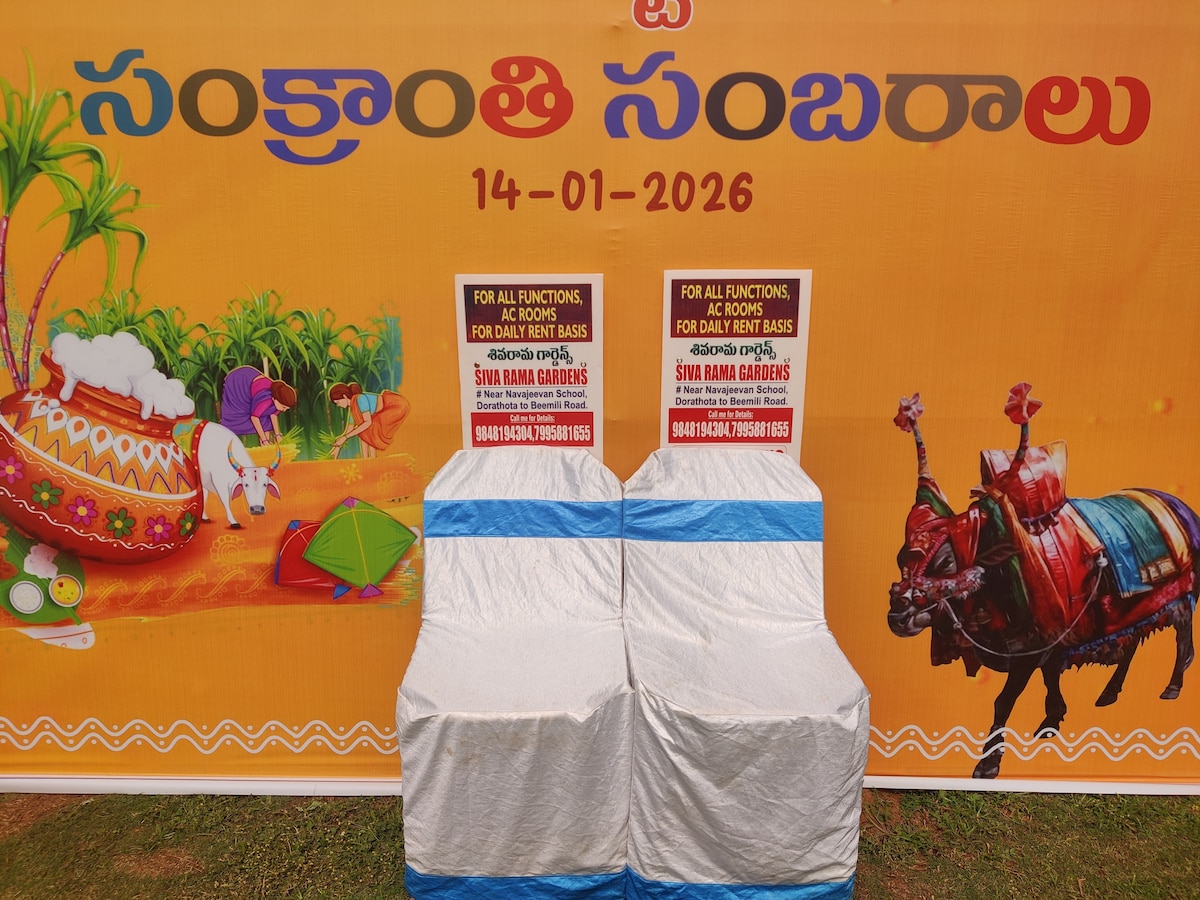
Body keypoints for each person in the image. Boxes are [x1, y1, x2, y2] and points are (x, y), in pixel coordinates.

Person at [329, 382, 410, 458]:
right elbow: (349, 429)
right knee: (365, 430)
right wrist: (337, 447)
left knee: (367, 429)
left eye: (338, 402)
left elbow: (368, 422)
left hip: (396, 406)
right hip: (387, 410)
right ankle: (366, 459)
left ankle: (370, 459)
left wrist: (345, 437)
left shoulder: (360, 399)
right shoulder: (353, 407)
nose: (338, 405)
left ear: (344, 396)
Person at [220, 366, 296, 445]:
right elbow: (254, 417)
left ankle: (265, 447)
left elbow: (273, 415)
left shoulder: (277, 400)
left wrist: (278, 435)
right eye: (284, 407)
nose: (284, 410)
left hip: (251, 383)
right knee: (238, 417)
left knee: (266, 419)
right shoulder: (265, 401)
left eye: (286, 408)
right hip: (238, 383)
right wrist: (264, 440)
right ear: (274, 399)